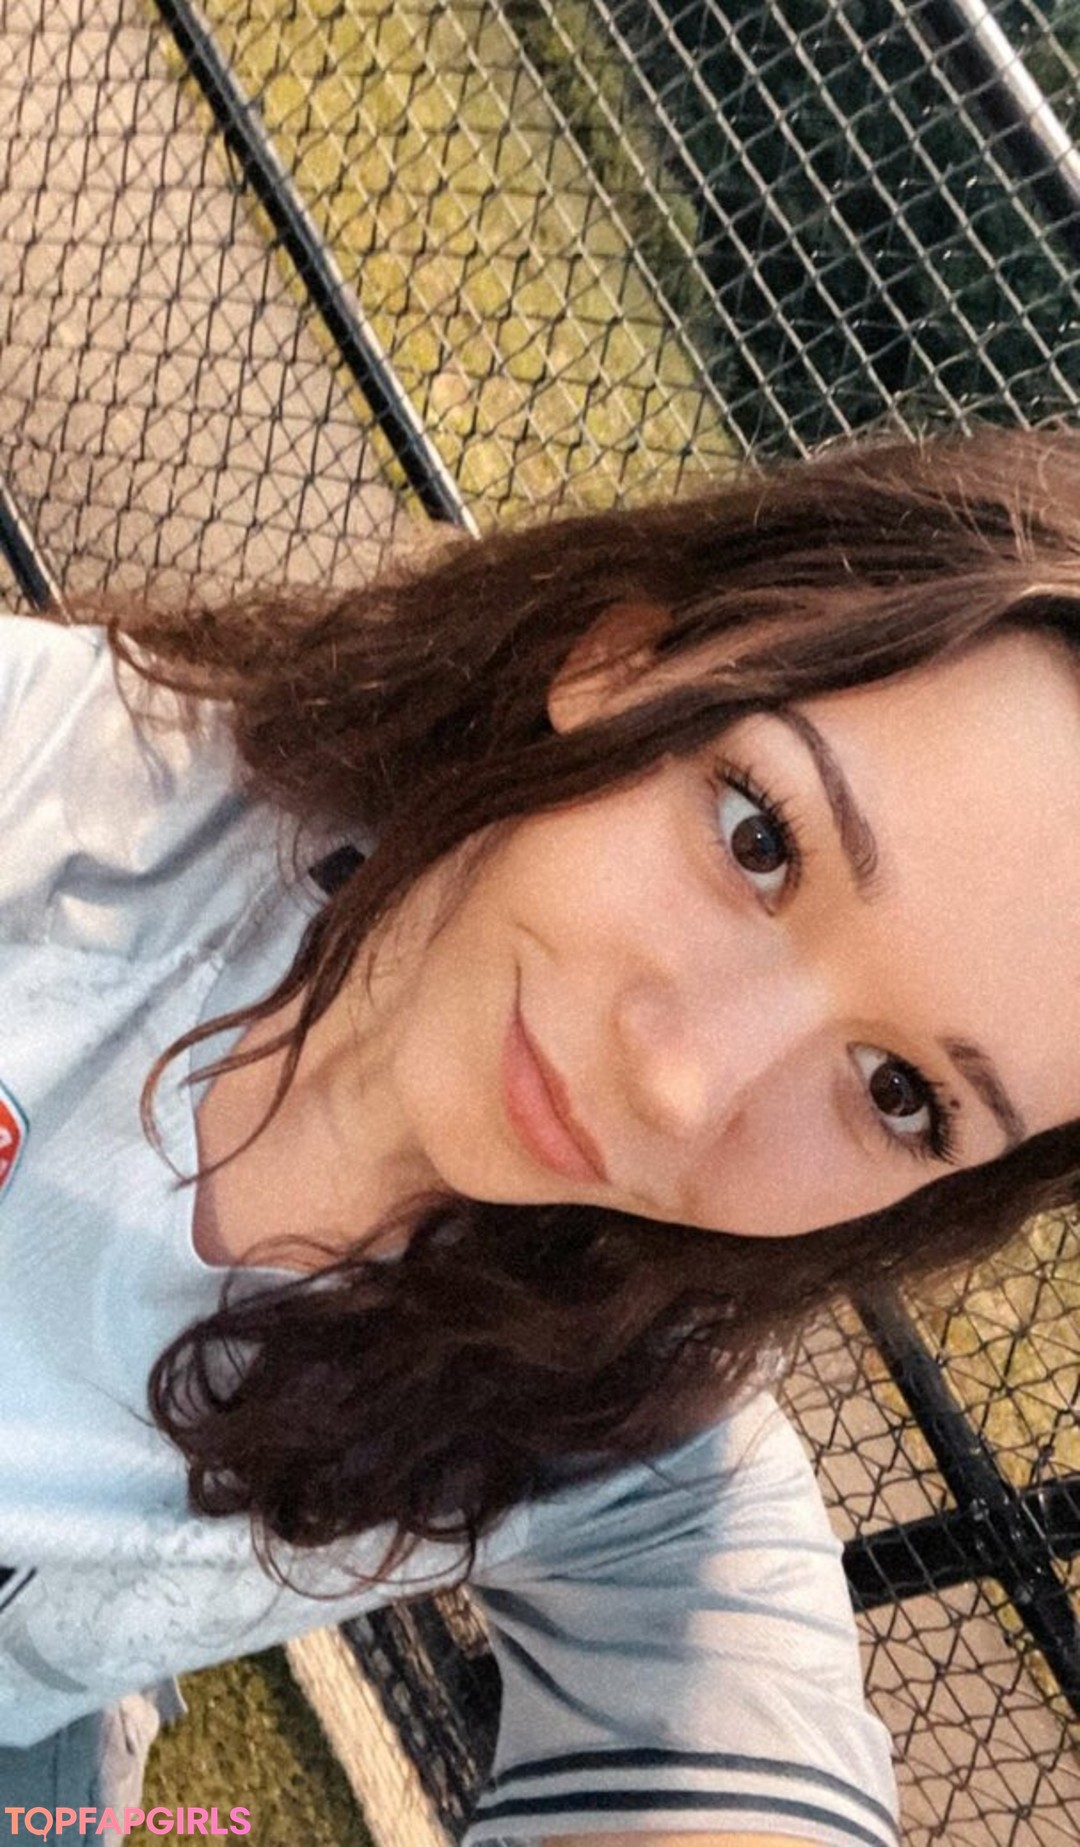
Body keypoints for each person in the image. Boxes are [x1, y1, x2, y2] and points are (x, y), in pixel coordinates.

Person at [0, 424, 1077, 1845]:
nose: (684, 1085)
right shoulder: (61, 793)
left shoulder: (617, 1435)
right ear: (621, 660)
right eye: (760, 839)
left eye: (898, 1094)